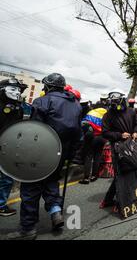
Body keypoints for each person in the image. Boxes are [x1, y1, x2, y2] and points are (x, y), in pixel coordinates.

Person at [8, 73, 82, 240]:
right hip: (61, 154)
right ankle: (56, 211)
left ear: (48, 86)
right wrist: (71, 154)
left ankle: (28, 229)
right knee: (51, 181)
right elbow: (78, 133)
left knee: (30, 189)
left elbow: (34, 130)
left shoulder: (42, 101)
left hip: (40, 153)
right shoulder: (75, 104)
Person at [99, 90, 137, 210]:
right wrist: (119, 135)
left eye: (117, 102)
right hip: (117, 147)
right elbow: (105, 133)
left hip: (131, 146)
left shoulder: (132, 112)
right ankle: (119, 201)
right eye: (113, 103)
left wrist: (136, 132)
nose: (116, 106)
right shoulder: (108, 115)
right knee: (120, 173)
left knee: (131, 171)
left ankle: (116, 199)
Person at [0, 78, 28, 217]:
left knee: (7, 177)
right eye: (13, 89)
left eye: (18, 89)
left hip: (9, 147)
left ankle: (0, 204)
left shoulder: (19, 107)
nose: (17, 92)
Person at [79, 107, 108, 185]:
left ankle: (86, 177)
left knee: (88, 156)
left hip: (92, 136)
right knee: (97, 156)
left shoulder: (91, 113)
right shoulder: (106, 115)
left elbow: (83, 123)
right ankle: (94, 176)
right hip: (102, 137)